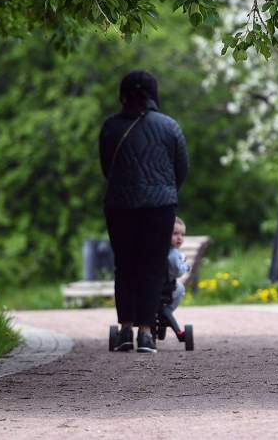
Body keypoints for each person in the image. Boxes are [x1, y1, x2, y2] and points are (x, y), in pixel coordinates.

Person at [99, 70, 189, 354]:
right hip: (160, 206)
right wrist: (164, 190)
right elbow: (181, 168)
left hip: (120, 205)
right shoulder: (169, 126)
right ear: (153, 93)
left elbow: (106, 168)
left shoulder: (111, 127)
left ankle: (125, 330)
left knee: (125, 266)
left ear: (123, 94)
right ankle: (147, 334)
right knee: (152, 267)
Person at [166, 216, 192, 312]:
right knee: (180, 288)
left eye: (182, 234)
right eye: (175, 233)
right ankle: (167, 311)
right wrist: (186, 267)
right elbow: (177, 271)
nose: (179, 238)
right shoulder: (172, 253)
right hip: (165, 286)